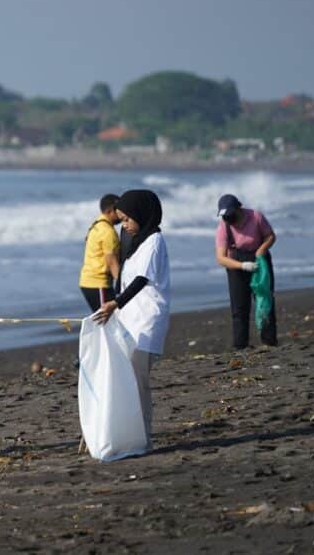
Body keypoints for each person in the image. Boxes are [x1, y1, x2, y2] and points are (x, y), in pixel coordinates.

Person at [94, 189, 170, 444]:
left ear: (141, 214)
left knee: (139, 382)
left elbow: (141, 280)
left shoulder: (154, 241)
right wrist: (115, 305)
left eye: (127, 219)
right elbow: (124, 277)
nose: (123, 225)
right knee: (125, 378)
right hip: (130, 319)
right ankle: (128, 432)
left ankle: (143, 437)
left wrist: (116, 303)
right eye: (121, 219)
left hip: (147, 320)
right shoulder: (133, 240)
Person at [214, 194, 278, 348]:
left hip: (259, 261)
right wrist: (242, 266)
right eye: (225, 216)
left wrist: (261, 250)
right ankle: (240, 346)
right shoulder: (224, 226)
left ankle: (269, 342)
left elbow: (270, 236)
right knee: (239, 308)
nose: (228, 219)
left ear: (239, 208)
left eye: (230, 215)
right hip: (236, 265)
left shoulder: (256, 217)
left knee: (265, 301)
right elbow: (221, 258)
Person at [79, 194, 122, 313]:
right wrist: (122, 288)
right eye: (118, 210)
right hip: (98, 283)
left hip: (89, 281)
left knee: (108, 320)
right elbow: (112, 262)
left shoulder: (96, 225)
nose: (122, 214)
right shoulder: (108, 232)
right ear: (110, 211)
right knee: (108, 321)